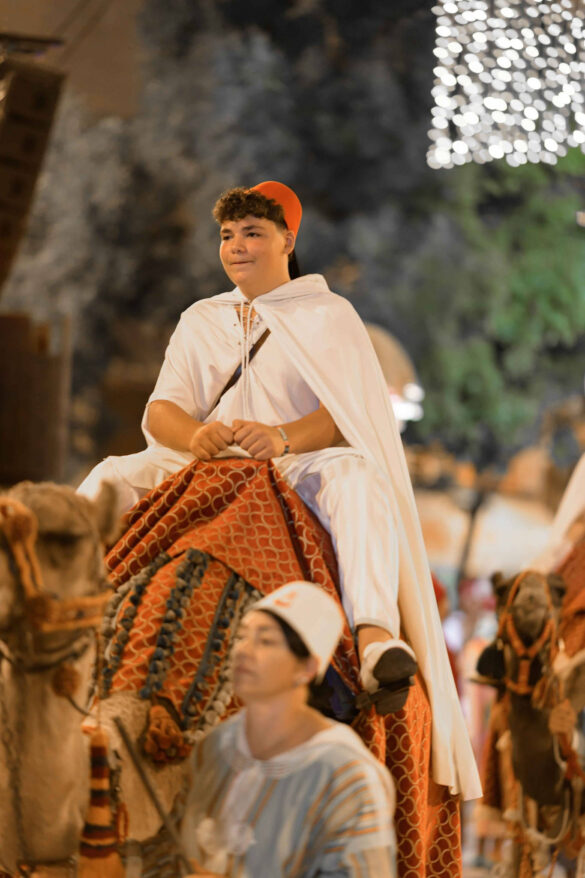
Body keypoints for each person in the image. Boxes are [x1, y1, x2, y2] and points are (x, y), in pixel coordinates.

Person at [78, 180, 480, 798]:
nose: (236, 246)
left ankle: (373, 635)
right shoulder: (200, 318)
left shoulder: (329, 315)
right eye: (227, 236)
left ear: (287, 241)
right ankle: (53, 607)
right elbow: (160, 410)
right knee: (109, 473)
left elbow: (347, 414)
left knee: (356, 474)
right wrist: (197, 434)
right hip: (200, 462)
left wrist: (283, 438)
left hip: (294, 466)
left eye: (252, 233)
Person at [180, 581, 396, 877]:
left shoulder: (346, 775)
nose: (244, 650)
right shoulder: (215, 747)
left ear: (307, 667)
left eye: (266, 641)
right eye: (242, 636)